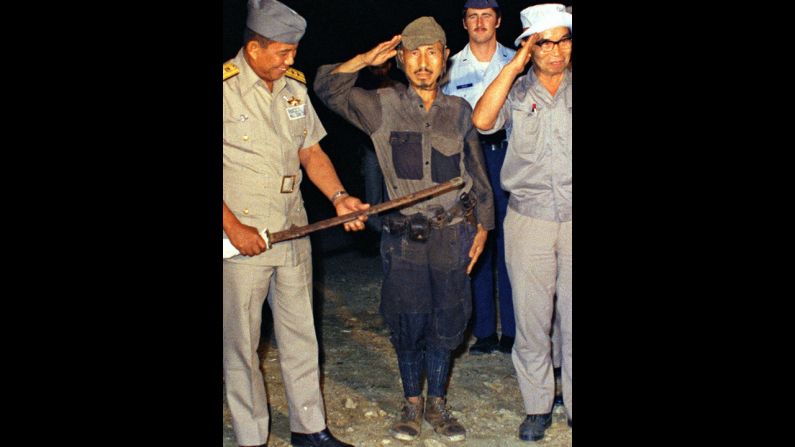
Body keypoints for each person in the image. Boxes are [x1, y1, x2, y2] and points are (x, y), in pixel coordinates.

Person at [314, 17, 494, 443]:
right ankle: (412, 402)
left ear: (444, 57)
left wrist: (484, 226)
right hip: (404, 241)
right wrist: (362, 59)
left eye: (431, 51)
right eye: (412, 53)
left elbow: (477, 174)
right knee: (407, 322)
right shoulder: (382, 105)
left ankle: (438, 404)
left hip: (453, 235)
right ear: (399, 60)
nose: (423, 62)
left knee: (448, 320)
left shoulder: (459, 111)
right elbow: (327, 89)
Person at [222, 1, 368, 446]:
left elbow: (311, 152)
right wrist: (232, 227)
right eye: (284, 52)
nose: (291, 60)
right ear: (253, 47)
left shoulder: (293, 89)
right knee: (242, 346)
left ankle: (310, 429)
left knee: (301, 333)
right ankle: (251, 436)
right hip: (242, 238)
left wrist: (340, 197)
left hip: (293, 229)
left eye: (293, 52)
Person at [472, 3, 572, 442]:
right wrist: (512, 69)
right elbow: (482, 120)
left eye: (563, 40)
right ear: (529, 47)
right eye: (543, 42)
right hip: (528, 219)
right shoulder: (515, 91)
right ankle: (537, 405)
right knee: (532, 320)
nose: (555, 51)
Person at [443, 0, 516, 356]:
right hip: (469, 161)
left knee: (513, 245)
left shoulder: (518, 60)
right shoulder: (451, 66)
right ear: (464, 23)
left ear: (498, 21)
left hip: (510, 155)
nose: (480, 22)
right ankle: (485, 330)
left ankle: (515, 331)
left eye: (487, 15)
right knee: (477, 241)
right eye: (473, 16)